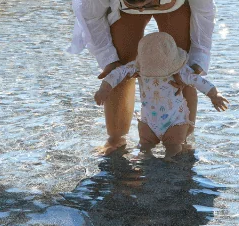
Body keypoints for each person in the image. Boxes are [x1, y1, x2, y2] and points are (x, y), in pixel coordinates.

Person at [69, 0, 216, 154]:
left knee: (181, 65)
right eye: (132, 5)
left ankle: (181, 139)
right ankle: (115, 139)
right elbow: (92, 17)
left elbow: (204, 14)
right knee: (121, 61)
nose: (142, 10)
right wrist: (108, 59)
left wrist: (199, 60)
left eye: (148, 4)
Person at [95, 32, 228, 157]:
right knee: (144, 147)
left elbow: (198, 81)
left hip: (174, 122)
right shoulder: (139, 67)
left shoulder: (178, 71)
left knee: (173, 148)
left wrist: (215, 95)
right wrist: (104, 89)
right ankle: (149, 164)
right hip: (148, 122)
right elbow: (117, 74)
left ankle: (169, 165)